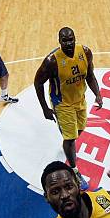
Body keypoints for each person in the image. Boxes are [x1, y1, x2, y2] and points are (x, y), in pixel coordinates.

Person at [34, 27, 103, 191]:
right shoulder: (52, 61)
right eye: (65, 40)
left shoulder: (85, 53)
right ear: (59, 41)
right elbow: (38, 83)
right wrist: (45, 108)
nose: (69, 43)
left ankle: (67, 142)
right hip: (62, 104)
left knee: (79, 131)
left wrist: (98, 94)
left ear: (75, 38)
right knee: (71, 139)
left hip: (80, 99)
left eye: (71, 39)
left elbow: (90, 76)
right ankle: (74, 171)